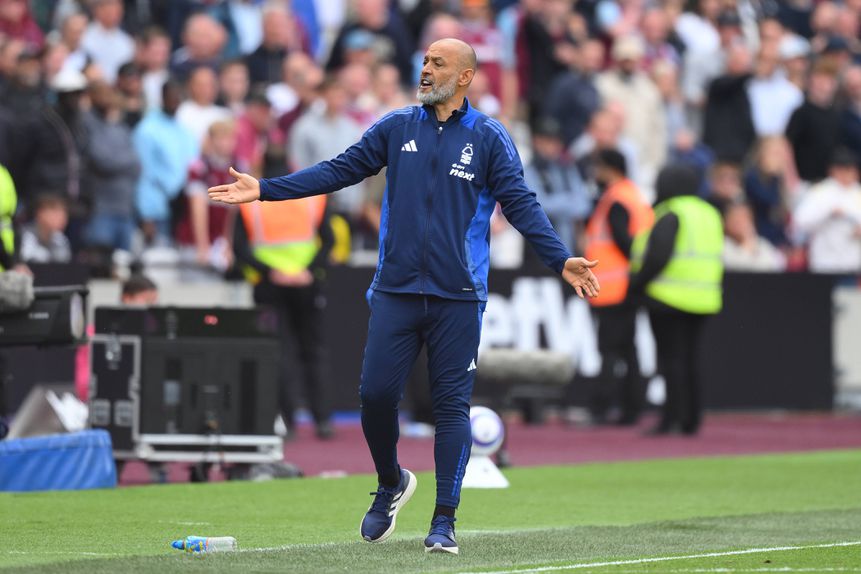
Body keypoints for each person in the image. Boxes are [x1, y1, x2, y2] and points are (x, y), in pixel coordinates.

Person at [208, 38, 600, 555]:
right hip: (395, 289)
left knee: (451, 407)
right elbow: (340, 169)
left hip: (459, 295)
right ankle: (391, 482)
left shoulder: (489, 137)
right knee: (374, 396)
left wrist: (559, 257)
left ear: (464, 77)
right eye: (425, 59)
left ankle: (444, 520)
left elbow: (521, 203)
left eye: (439, 62)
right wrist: (267, 190)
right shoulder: (397, 127)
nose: (426, 68)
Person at [629, 164, 724, 436]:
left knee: (671, 360)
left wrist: (637, 284)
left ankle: (670, 419)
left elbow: (658, 254)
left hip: (668, 298)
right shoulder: (709, 213)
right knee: (691, 359)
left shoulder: (671, 212)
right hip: (704, 297)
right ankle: (691, 419)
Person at [584, 149, 654, 426]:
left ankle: (603, 408)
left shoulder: (615, 200)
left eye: (598, 167)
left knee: (611, 351)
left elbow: (624, 242)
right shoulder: (633, 196)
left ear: (610, 169)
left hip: (614, 288)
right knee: (627, 350)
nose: (595, 174)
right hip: (628, 285)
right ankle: (631, 409)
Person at [792, 149, 861, 275]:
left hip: (852, 264)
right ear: (833, 171)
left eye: (850, 169)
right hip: (824, 263)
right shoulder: (821, 192)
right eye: (842, 169)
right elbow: (800, 221)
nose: (847, 174)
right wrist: (829, 213)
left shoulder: (858, 192)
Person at [19, 194, 72, 264]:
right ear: (40, 213)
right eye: (55, 212)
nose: (62, 217)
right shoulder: (23, 236)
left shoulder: (61, 240)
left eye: (64, 213)